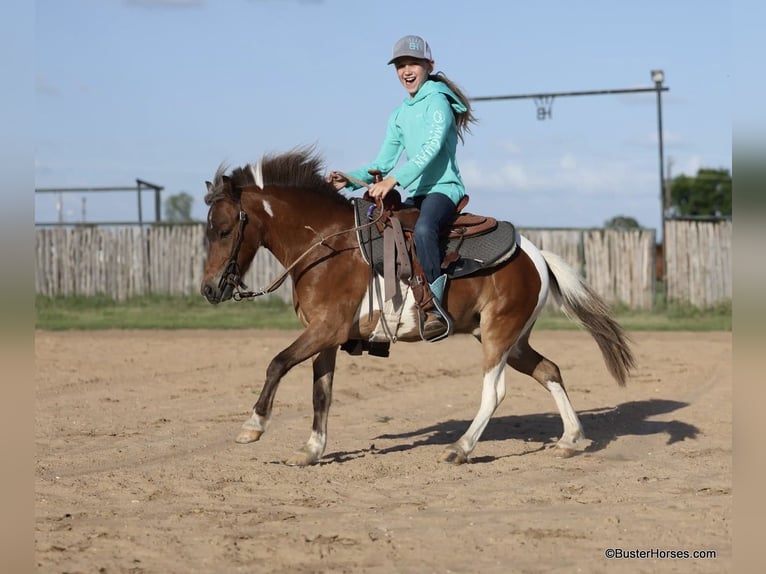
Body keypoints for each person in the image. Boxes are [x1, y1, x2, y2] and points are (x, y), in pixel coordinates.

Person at [328, 34, 476, 338]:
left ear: (429, 65)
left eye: (413, 64)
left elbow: (431, 149)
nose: (406, 71)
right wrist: (352, 179)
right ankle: (382, 316)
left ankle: (434, 309)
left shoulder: (439, 102)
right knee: (379, 229)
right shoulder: (399, 114)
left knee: (423, 231)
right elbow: (382, 162)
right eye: (400, 65)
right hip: (417, 193)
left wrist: (395, 180)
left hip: (444, 189)